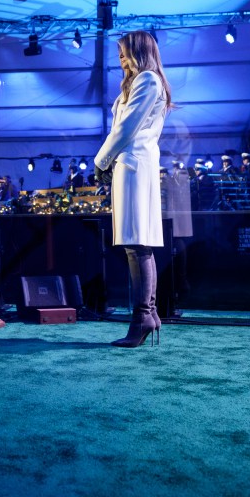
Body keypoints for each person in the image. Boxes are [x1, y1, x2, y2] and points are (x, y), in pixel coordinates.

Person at [93, 30, 172, 348]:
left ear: (140, 52)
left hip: (133, 166)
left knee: (137, 245)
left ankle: (143, 316)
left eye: (125, 52)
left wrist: (100, 160)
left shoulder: (148, 81)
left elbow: (126, 128)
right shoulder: (145, 81)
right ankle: (146, 315)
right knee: (137, 246)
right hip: (133, 166)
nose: (121, 58)